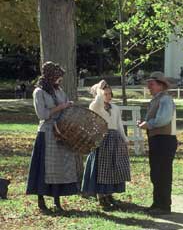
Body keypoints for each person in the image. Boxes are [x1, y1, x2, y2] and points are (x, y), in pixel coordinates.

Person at [26, 61, 82, 214]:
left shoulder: (59, 91)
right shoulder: (39, 92)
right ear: (50, 76)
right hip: (46, 133)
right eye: (57, 76)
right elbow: (42, 114)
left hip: (61, 132)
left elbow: (64, 108)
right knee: (44, 168)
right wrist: (61, 107)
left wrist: (68, 106)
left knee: (59, 167)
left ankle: (57, 201)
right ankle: (41, 201)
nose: (60, 79)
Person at [81, 80, 131, 211]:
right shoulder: (95, 106)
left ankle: (109, 194)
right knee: (101, 168)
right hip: (101, 138)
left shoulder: (115, 108)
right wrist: (100, 88)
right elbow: (97, 102)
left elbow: (119, 124)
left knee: (112, 167)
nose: (109, 96)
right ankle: (101, 195)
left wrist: (125, 139)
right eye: (106, 94)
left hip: (114, 139)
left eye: (110, 94)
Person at [138, 71, 177, 215]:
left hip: (164, 140)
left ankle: (164, 206)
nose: (149, 86)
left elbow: (163, 119)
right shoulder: (156, 99)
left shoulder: (165, 99)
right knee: (156, 173)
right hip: (158, 140)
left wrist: (148, 124)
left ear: (161, 86)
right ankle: (157, 203)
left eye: (152, 84)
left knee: (163, 174)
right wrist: (145, 123)